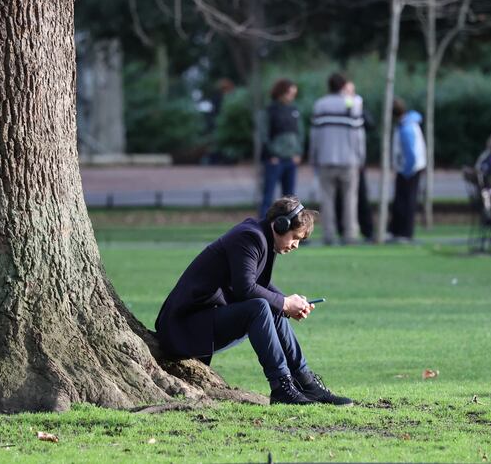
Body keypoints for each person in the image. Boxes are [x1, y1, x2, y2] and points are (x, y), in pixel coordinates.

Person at [155, 196, 352, 406]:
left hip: (202, 321)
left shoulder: (262, 236)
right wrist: (285, 303)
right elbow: (245, 288)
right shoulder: (250, 237)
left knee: (272, 306)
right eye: (295, 237)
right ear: (280, 225)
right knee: (260, 307)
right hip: (182, 328)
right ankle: (281, 386)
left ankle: (305, 382)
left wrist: (289, 303)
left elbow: (261, 284)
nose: (296, 245)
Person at [310, 73, 366, 245]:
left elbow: (315, 135)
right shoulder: (352, 104)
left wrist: (314, 157)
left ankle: (329, 234)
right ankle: (350, 234)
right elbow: (358, 135)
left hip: (326, 159)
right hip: (349, 160)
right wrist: (361, 156)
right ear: (343, 86)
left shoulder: (320, 105)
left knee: (326, 199)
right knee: (350, 198)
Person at [335, 80, 375, 241]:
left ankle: (367, 229)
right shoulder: (335, 109)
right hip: (339, 160)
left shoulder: (357, 109)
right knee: (340, 198)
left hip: (356, 161)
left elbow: (371, 124)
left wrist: (357, 108)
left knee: (361, 195)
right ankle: (342, 228)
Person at [259, 79, 304, 218]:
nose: (292, 96)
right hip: (275, 160)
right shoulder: (269, 111)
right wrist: (271, 154)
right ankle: (262, 228)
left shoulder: (294, 110)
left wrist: (298, 151)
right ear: (281, 93)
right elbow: (263, 134)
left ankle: (293, 228)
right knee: (268, 195)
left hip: (291, 159)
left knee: (291, 198)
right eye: (290, 93)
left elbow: (300, 132)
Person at [389, 98, 426, 240]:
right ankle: (398, 230)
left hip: (409, 170)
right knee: (402, 201)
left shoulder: (406, 128)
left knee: (406, 202)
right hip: (410, 169)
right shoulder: (408, 123)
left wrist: (406, 171)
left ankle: (405, 232)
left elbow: (410, 153)